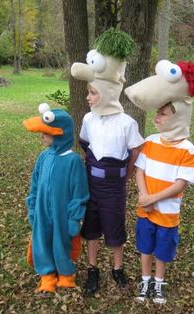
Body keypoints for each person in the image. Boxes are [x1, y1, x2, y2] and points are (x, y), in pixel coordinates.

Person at [125, 60, 194, 304]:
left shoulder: (187, 149)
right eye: (157, 112)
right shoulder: (151, 141)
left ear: (178, 114)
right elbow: (140, 170)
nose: (156, 117)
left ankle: (159, 282)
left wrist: (153, 198)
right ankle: (145, 280)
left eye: (162, 113)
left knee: (162, 250)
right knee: (145, 247)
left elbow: (180, 184)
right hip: (145, 210)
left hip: (168, 213)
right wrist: (143, 196)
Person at [71, 28, 144, 294]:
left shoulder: (127, 123)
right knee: (91, 229)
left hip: (114, 187)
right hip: (91, 184)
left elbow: (136, 149)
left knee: (115, 228)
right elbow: (86, 146)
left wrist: (127, 172)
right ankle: (92, 269)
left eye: (92, 93)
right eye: (88, 92)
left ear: (107, 91)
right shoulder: (89, 119)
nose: (88, 98)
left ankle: (117, 267)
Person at [23, 103, 89, 293]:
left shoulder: (73, 161)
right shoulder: (43, 157)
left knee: (62, 243)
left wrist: (74, 218)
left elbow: (79, 193)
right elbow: (35, 184)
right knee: (42, 240)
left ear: (60, 133)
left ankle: (66, 275)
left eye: (46, 133)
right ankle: (47, 276)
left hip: (62, 213)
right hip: (42, 211)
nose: (42, 137)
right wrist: (33, 207)